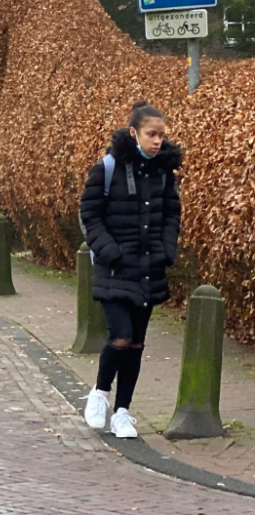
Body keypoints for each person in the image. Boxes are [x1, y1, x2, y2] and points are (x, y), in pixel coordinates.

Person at [80, 101, 182, 439]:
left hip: (149, 269)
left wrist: (166, 250)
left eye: (161, 135)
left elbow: (171, 214)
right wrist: (110, 252)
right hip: (115, 269)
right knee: (120, 337)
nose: (157, 141)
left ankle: (122, 412)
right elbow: (90, 215)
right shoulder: (106, 169)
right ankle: (99, 393)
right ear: (133, 132)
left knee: (137, 344)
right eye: (151, 134)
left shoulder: (164, 172)